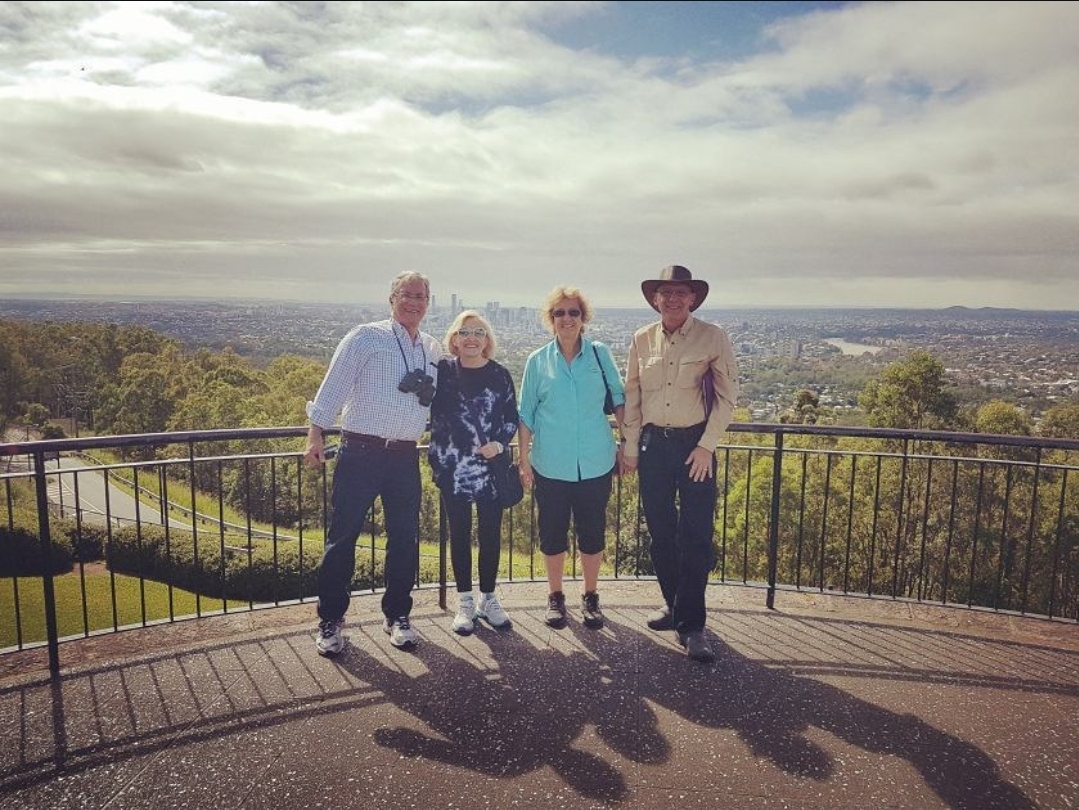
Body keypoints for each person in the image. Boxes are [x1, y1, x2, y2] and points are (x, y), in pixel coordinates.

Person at [303, 271, 443, 656]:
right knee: (342, 539)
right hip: (360, 451)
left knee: (404, 540)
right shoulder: (366, 337)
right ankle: (330, 621)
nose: (414, 302)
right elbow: (333, 386)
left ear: (428, 302)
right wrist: (316, 434)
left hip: (404, 457)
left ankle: (397, 614)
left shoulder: (431, 349)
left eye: (421, 295)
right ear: (391, 298)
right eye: (406, 294)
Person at [620, 265, 739, 663]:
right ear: (656, 299)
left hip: (694, 446)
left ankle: (693, 625)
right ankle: (674, 605)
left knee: (696, 536)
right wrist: (632, 446)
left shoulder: (712, 337)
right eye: (665, 293)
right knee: (659, 532)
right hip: (655, 446)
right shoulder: (641, 339)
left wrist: (707, 446)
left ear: (692, 299)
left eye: (680, 293)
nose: (672, 299)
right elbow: (632, 396)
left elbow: (727, 397)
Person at [518, 285, 625, 629]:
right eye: (560, 313)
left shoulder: (599, 354)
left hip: (595, 460)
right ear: (551, 319)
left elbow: (620, 400)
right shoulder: (538, 361)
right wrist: (523, 459)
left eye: (574, 312)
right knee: (552, 533)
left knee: (592, 532)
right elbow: (526, 415)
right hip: (550, 462)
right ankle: (556, 596)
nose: (567, 318)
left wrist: (628, 444)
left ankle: (591, 596)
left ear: (583, 318)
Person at [428, 310, 520, 634]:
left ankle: (488, 599)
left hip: (488, 471)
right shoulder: (443, 372)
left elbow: (511, 416)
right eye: (465, 332)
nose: (471, 338)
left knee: (491, 535)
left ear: (487, 340)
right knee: (459, 536)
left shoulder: (500, 375)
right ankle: (464, 601)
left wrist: (499, 443)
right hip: (452, 470)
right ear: (454, 339)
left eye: (478, 333)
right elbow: (428, 410)